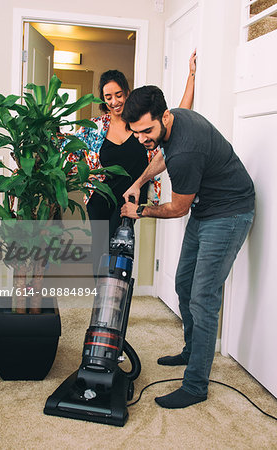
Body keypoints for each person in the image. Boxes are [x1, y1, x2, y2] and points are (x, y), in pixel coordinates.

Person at [120, 85, 255, 409]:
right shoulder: (172, 126)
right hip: (207, 209)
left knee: (203, 297)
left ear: (164, 117)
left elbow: (178, 208)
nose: (142, 139)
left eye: (147, 131)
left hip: (230, 213)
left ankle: (196, 385)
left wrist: (139, 210)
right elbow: (161, 156)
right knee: (183, 284)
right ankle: (192, 350)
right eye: (137, 133)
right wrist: (138, 183)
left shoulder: (186, 151)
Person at [66, 51, 197, 274]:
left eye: (118, 94)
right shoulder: (95, 126)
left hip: (129, 200)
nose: (114, 101)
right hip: (99, 199)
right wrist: (83, 175)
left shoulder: (142, 123)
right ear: (102, 99)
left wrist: (191, 76)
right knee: (100, 255)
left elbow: (178, 116)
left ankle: (117, 303)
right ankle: (103, 305)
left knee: (120, 254)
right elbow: (67, 154)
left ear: (127, 93)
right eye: (108, 97)